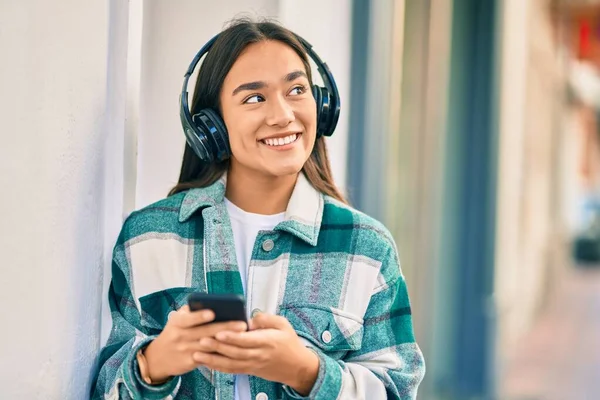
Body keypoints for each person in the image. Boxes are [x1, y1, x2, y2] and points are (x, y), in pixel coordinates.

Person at [91, 18, 425, 400]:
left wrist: (307, 372)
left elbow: (396, 392)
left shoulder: (367, 247)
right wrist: (152, 366)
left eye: (297, 89)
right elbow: (106, 390)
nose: (283, 115)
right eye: (254, 98)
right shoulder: (147, 238)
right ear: (210, 126)